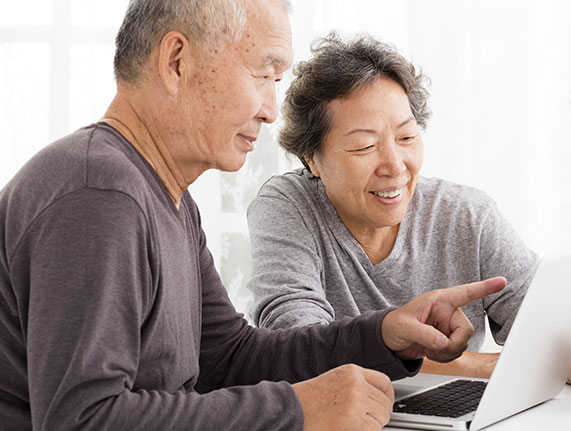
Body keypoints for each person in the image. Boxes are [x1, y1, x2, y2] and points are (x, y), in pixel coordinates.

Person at [0, 1, 510, 430]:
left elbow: (229, 359)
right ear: (177, 61)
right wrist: (297, 409)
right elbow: (81, 419)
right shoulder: (99, 196)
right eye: (263, 73)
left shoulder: (165, 199)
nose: (270, 109)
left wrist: (383, 335)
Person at [247, 33, 571, 407]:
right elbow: (295, 344)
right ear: (311, 158)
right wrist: (481, 366)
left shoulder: (466, 215)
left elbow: (550, 324)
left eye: (408, 137)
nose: (395, 165)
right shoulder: (288, 205)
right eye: (364, 147)